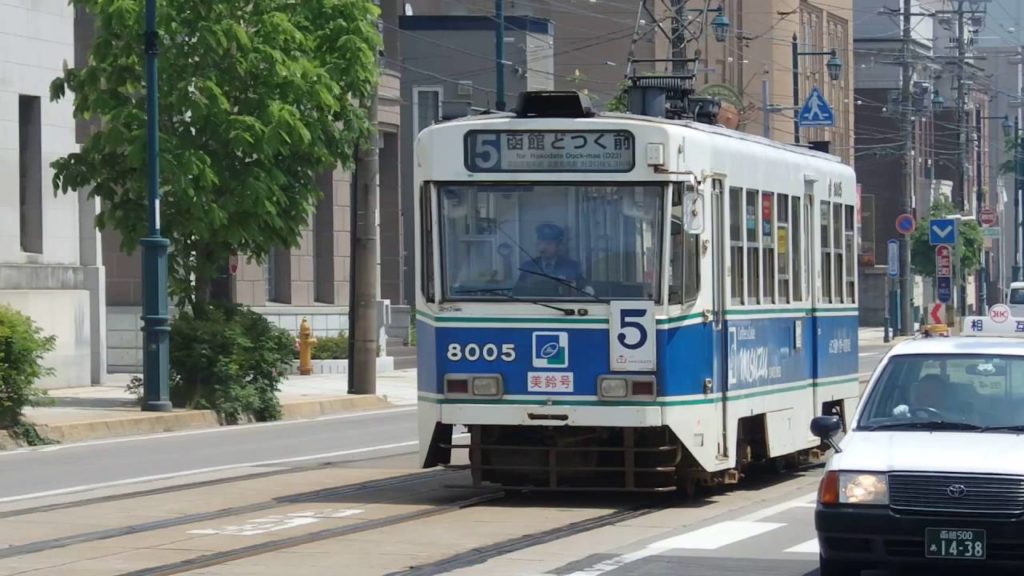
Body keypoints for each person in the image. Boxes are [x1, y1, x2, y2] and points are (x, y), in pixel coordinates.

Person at [514, 223, 587, 295]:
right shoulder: (528, 267)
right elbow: (518, 292)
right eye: (540, 243)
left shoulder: (571, 267)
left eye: (549, 244)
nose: (543, 247)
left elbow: (583, 290)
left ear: (558, 246)